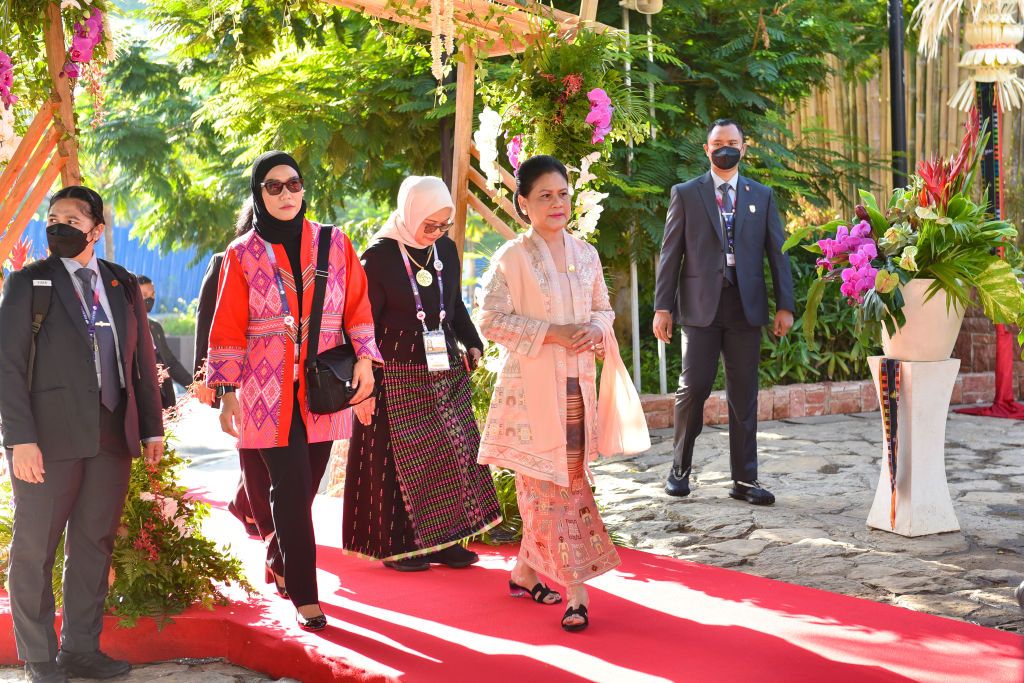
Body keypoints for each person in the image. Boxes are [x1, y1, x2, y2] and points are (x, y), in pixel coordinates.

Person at [206, 151, 382, 631]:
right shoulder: (242, 254)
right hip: (267, 391)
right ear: (259, 195)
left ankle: (281, 558)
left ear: (304, 189)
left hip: (326, 387)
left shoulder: (335, 243)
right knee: (289, 488)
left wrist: (365, 364)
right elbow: (228, 325)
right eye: (273, 187)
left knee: (308, 485)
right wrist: (227, 393)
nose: (286, 194)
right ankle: (307, 596)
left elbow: (358, 307)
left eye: (293, 184)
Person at [477, 155, 650, 632]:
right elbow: (490, 319)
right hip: (531, 398)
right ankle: (577, 592)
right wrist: (553, 333)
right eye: (544, 196)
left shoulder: (586, 253)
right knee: (552, 488)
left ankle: (524, 571)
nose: (557, 204)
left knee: (567, 480)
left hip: (577, 390)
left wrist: (593, 328)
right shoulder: (511, 256)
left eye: (563, 194)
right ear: (523, 204)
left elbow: (602, 308)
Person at [0, 186, 164, 683]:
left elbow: (141, 362)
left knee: (93, 544)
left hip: (111, 436)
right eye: (53, 217)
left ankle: (81, 649)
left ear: (96, 229)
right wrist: (19, 439)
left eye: (72, 218)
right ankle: (39, 656)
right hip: (46, 442)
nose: (59, 225)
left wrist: (151, 428)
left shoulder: (120, 284)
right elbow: (6, 367)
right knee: (36, 547)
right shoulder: (31, 283)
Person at [343, 176, 501, 571]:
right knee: (397, 460)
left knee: (449, 453)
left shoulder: (445, 249)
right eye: (428, 225)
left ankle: (444, 541)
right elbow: (361, 322)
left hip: (442, 367)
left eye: (443, 225)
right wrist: (364, 383)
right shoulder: (377, 258)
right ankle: (398, 547)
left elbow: (455, 306)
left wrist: (473, 341)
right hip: (391, 371)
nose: (436, 233)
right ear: (409, 212)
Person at [653, 118, 795, 505]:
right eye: (718, 142)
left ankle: (744, 481)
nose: (725, 148)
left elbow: (777, 253)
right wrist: (662, 307)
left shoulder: (761, 195)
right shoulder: (686, 193)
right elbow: (670, 254)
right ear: (707, 149)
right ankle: (679, 470)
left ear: (744, 148)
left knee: (743, 395)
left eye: (732, 142)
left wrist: (786, 305)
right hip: (700, 308)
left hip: (744, 308)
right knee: (693, 389)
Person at [193, 204, 271, 540]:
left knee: (270, 450)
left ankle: (245, 502)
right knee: (251, 445)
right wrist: (206, 377)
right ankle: (257, 512)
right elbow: (207, 321)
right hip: (242, 375)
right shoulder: (225, 261)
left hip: (281, 374)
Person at [137, 275, 193, 411]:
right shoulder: (128, 327)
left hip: (165, 396)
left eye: (152, 294)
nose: (149, 299)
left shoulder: (155, 327)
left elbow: (170, 361)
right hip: (144, 401)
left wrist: (193, 386)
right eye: (144, 295)